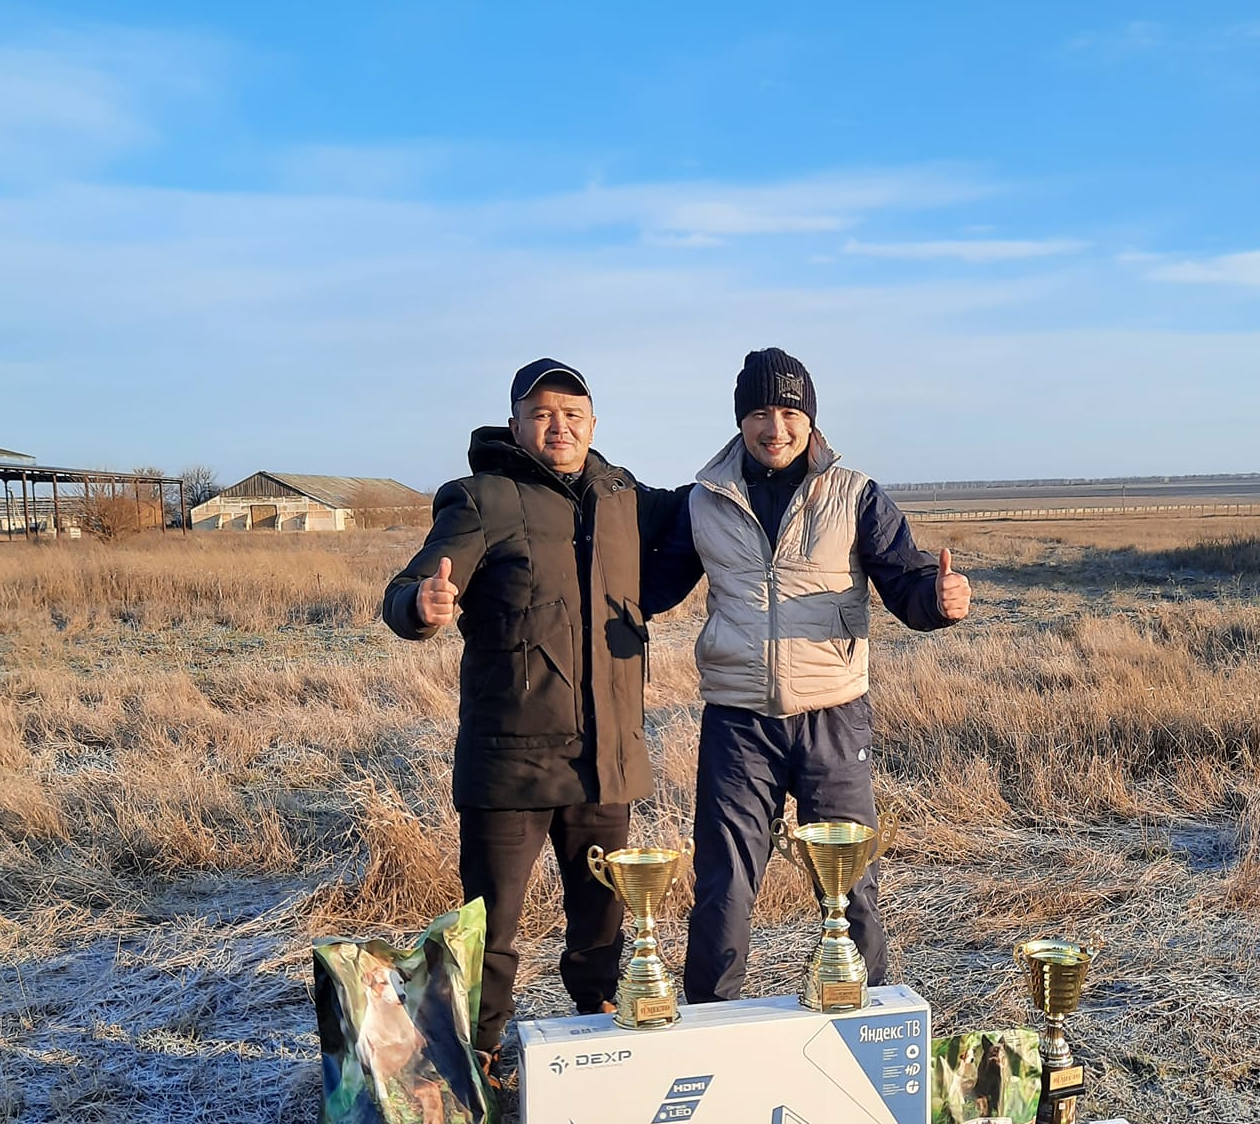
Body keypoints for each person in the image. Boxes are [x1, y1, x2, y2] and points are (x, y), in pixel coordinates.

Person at [383, 360, 697, 1065]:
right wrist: (420, 606)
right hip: (510, 762)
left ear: (593, 424)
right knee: (490, 930)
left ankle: (605, 1040)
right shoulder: (481, 500)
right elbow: (408, 586)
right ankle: (476, 1061)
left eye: (573, 414)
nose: (559, 427)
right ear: (517, 423)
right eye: (543, 414)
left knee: (603, 925)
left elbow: (700, 513)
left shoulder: (624, 497)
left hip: (604, 759)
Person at [678, 347, 971, 1004]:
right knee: (724, 886)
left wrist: (937, 600)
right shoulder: (703, 500)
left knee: (851, 887)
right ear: (740, 419)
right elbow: (648, 582)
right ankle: (708, 1030)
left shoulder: (855, 494)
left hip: (834, 719)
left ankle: (868, 1028)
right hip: (738, 721)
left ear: (810, 418)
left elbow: (905, 579)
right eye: (759, 412)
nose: (774, 428)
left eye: (789, 412)